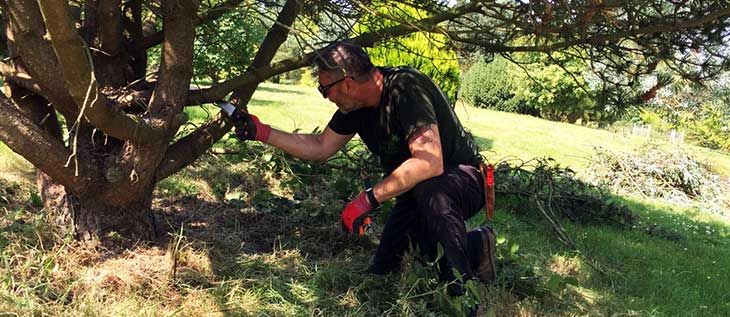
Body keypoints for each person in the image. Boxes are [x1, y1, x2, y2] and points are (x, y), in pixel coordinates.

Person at [232, 41, 496, 297]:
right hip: (416, 191)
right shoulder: (355, 107)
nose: (326, 97)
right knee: (385, 269)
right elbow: (321, 147)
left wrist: (367, 199)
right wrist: (262, 132)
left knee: (433, 193)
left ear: (346, 83)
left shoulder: (405, 89)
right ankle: (476, 247)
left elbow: (430, 161)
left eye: (324, 90)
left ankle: (460, 292)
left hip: (462, 179)